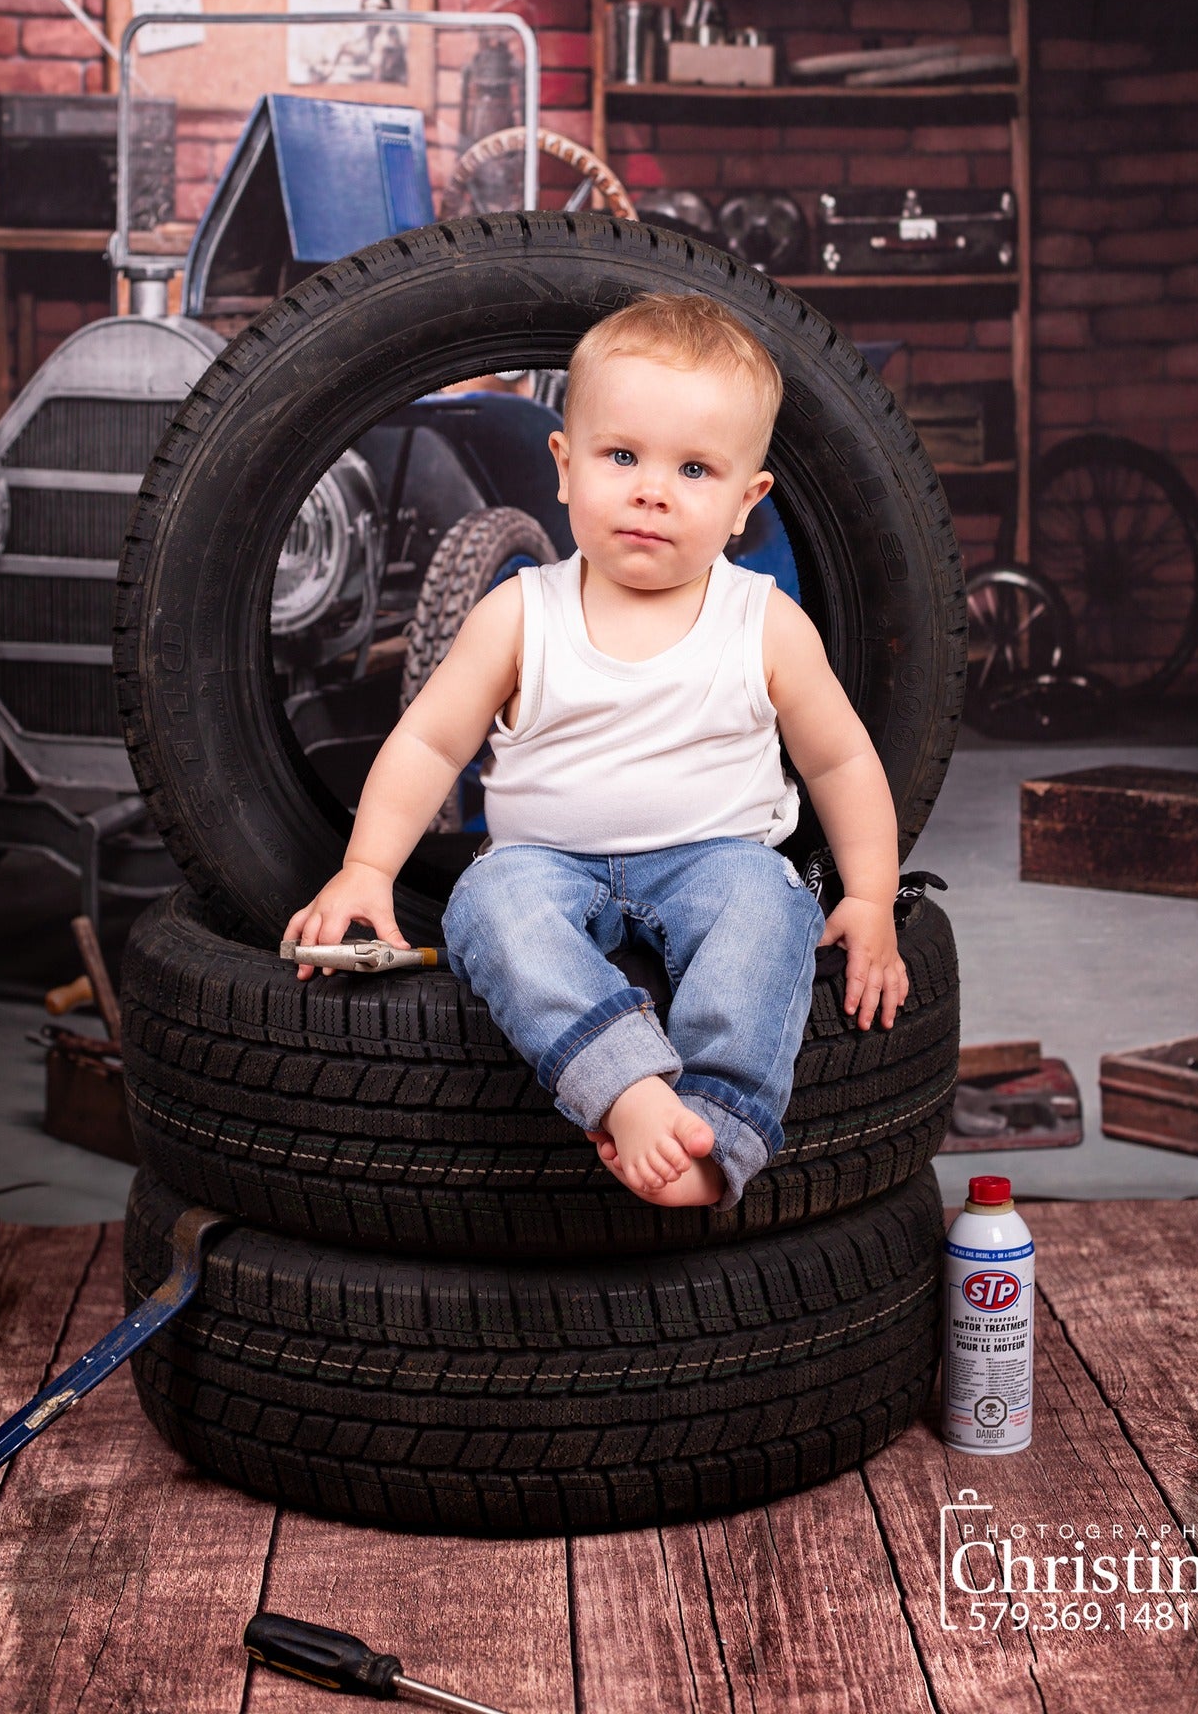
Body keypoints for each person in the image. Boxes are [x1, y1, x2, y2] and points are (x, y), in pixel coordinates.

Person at [284, 294, 908, 1211]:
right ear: (564, 469)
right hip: (548, 865)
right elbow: (426, 739)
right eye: (622, 457)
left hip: (714, 861)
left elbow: (842, 763)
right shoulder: (521, 614)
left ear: (746, 503)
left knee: (769, 912)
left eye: (694, 469)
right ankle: (625, 1085)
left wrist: (868, 895)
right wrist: (367, 868)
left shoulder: (763, 624)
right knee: (488, 907)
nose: (651, 490)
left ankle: (718, 1131)